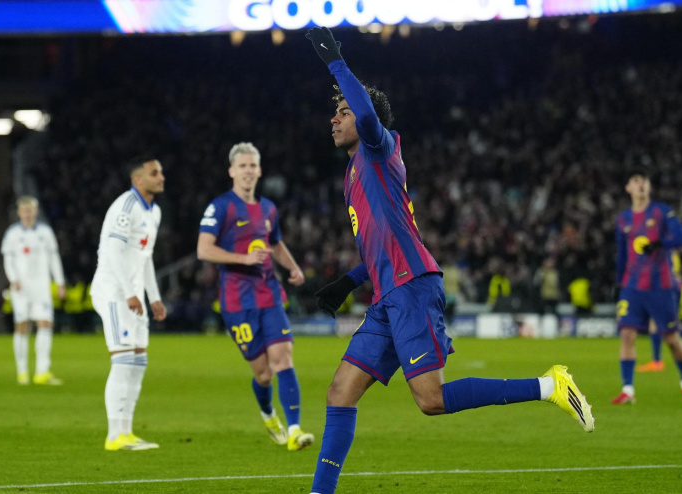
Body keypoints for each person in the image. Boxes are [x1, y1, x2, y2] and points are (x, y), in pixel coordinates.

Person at [304, 27, 593, 494]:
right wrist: (347, 281)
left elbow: (365, 114)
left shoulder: (381, 149)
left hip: (412, 288)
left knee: (431, 400)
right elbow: (384, 243)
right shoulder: (354, 174)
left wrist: (336, 62)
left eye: (342, 112)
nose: (333, 120)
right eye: (333, 113)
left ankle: (550, 386)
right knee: (340, 392)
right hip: (387, 293)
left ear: (365, 117)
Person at [197, 142, 313, 451]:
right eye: (243, 166)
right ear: (232, 171)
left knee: (283, 359)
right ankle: (267, 412)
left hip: (269, 295)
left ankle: (295, 430)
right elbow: (203, 249)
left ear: (259, 171)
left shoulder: (268, 209)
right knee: (263, 373)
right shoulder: (220, 207)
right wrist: (243, 259)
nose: (248, 171)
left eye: (253, 166)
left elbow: (274, 244)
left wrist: (293, 267)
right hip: (237, 302)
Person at [90, 158, 167, 451]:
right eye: (154, 173)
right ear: (137, 180)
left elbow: (144, 259)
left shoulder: (154, 212)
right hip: (113, 291)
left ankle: (127, 431)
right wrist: (128, 293)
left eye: (160, 172)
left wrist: (154, 297)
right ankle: (114, 435)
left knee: (138, 361)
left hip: (133, 295)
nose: (161, 177)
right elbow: (112, 251)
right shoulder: (126, 207)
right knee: (122, 360)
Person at [612, 169, 682, 404]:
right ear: (628, 188)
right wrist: (618, 282)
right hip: (631, 285)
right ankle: (628, 390)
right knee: (627, 334)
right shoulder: (623, 219)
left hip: (661, 285)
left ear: (649, 187)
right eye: (635, 181)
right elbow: (621, 253)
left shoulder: (661, 211)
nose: (640, 185)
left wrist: (659, 244)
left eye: (644, 181)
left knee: (671, 339)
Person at [0, 196, 66, 385]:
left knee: (45, 323)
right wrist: (13, 280)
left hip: (41, 287)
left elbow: (54, 258)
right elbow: (8, 260)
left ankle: (41, 372)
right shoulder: (12, 234)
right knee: (22, 325)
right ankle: (22, 371)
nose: (28, 213)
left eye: (30, 210)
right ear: (19, 212)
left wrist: (60, 282)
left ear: (35, 212)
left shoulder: (45, 232)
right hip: (21, 287)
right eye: (24, 210)